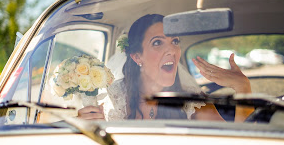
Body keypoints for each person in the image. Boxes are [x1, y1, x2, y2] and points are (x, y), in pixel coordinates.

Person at [78, 14, 254, 121]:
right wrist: (83, 125)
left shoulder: (193, 100)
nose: (172, 50)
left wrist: (242, 87)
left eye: (174, 41)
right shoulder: (113, 98)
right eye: (157, 43)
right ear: (137, 56)